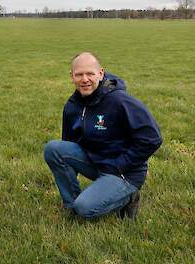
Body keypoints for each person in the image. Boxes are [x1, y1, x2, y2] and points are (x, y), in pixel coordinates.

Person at [44, 52, 162, 219]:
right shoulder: (72, 105)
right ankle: (71, 205)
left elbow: (152, 138)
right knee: (53, 149)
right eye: (79, 74)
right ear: (72, 76)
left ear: (100, 73)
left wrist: (121, 164)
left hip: (124, 171)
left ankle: (129, 196)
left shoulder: (120, 101)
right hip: (96, 161)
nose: (84, 79)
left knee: (85, 208)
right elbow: (69, 144)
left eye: (90, 73)